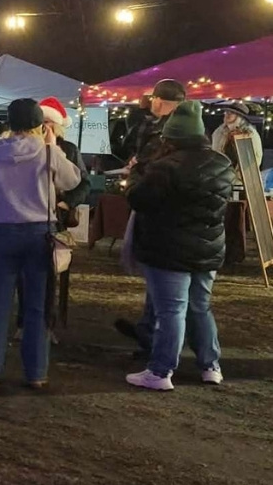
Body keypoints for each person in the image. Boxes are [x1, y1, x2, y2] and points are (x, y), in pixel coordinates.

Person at [0, 99, 81, 389]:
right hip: (38, 234)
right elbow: (72, 180)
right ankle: (36, 373)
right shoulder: (47, 152)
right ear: (40, 125)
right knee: (36, 306)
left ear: (8, 122)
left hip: (3, 233)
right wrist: (52, 145)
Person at [124, 101, 234, 390]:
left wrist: (135, 173)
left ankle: (161, 371)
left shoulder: (165, 167)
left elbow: (138, 199)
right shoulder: (223, 164)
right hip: (208, 249)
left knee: (171, 311)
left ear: (172, 137)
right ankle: (211, 366)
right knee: (200, 307)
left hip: (168, 249)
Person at [114, 79, 186, 355]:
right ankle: (148, 329)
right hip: (171, 216)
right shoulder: (159, 129)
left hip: (164, 214)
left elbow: (151, 167)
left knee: (169, 290)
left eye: (156, 99)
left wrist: (137, 170)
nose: (152, 102)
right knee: (163, 283)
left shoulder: (166, 135)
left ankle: (160, 351)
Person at [13, 97, 91, 341]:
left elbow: (81, 182)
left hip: (54, 219)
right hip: (31, 217)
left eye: (50, 122)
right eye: (42, 122)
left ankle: (47, 324)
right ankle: (24, 322)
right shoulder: (27, 149)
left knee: (50, 276)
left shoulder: (67, 150)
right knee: (24, 276)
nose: (45, 127)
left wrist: (67, 202)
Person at [211, 101, 263, 169]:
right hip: (221, 171)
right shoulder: (219, 131)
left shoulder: (249, 133)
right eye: (226, 112)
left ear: (239, 116)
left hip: (240, 174)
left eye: (232, 113)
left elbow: (255, 158)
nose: (227, 114)